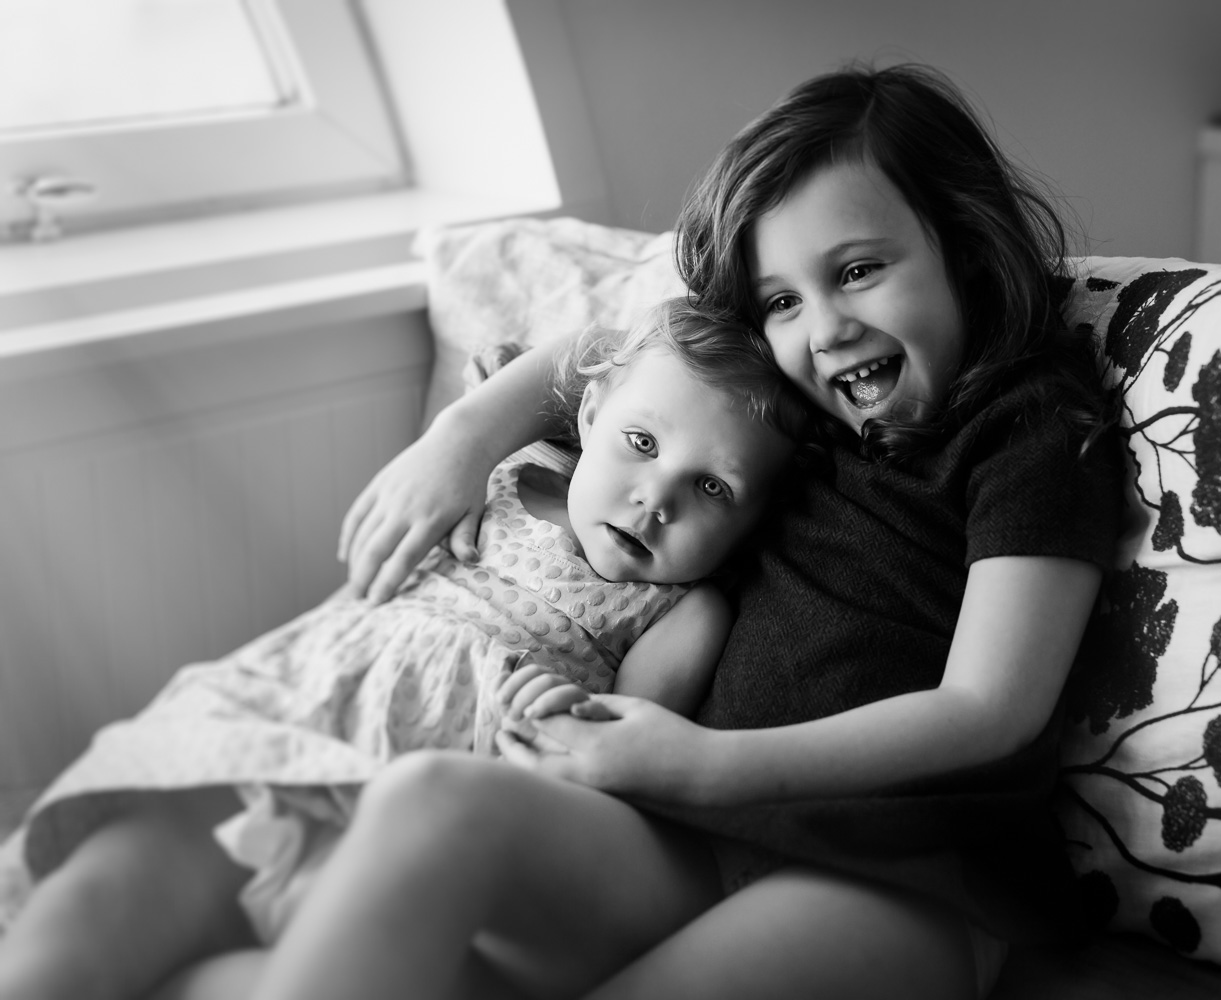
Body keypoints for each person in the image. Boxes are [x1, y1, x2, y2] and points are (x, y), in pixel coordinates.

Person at [230, 63, 1125, 1000]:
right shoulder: (797, 401)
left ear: (968, 247)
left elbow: (991, 710)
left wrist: (702, 764)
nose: (823, 328)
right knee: (429, 804)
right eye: (782, 300)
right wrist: (460, 437)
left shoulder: (1030, 425)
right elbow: (603, 358)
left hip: (895, 879)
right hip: (694, 841)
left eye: (858, 271)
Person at [0, 299, 803, 1000]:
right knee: (99, 901)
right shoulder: (499, 469)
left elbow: (627, 748)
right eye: (641, 441)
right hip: (287, 713)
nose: (655, 498)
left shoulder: (686, 609)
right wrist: (467, 436)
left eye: (712, 489)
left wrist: (570, 718)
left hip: (411, 813)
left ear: (752, 521)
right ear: (591, 415)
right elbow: (580, 346)